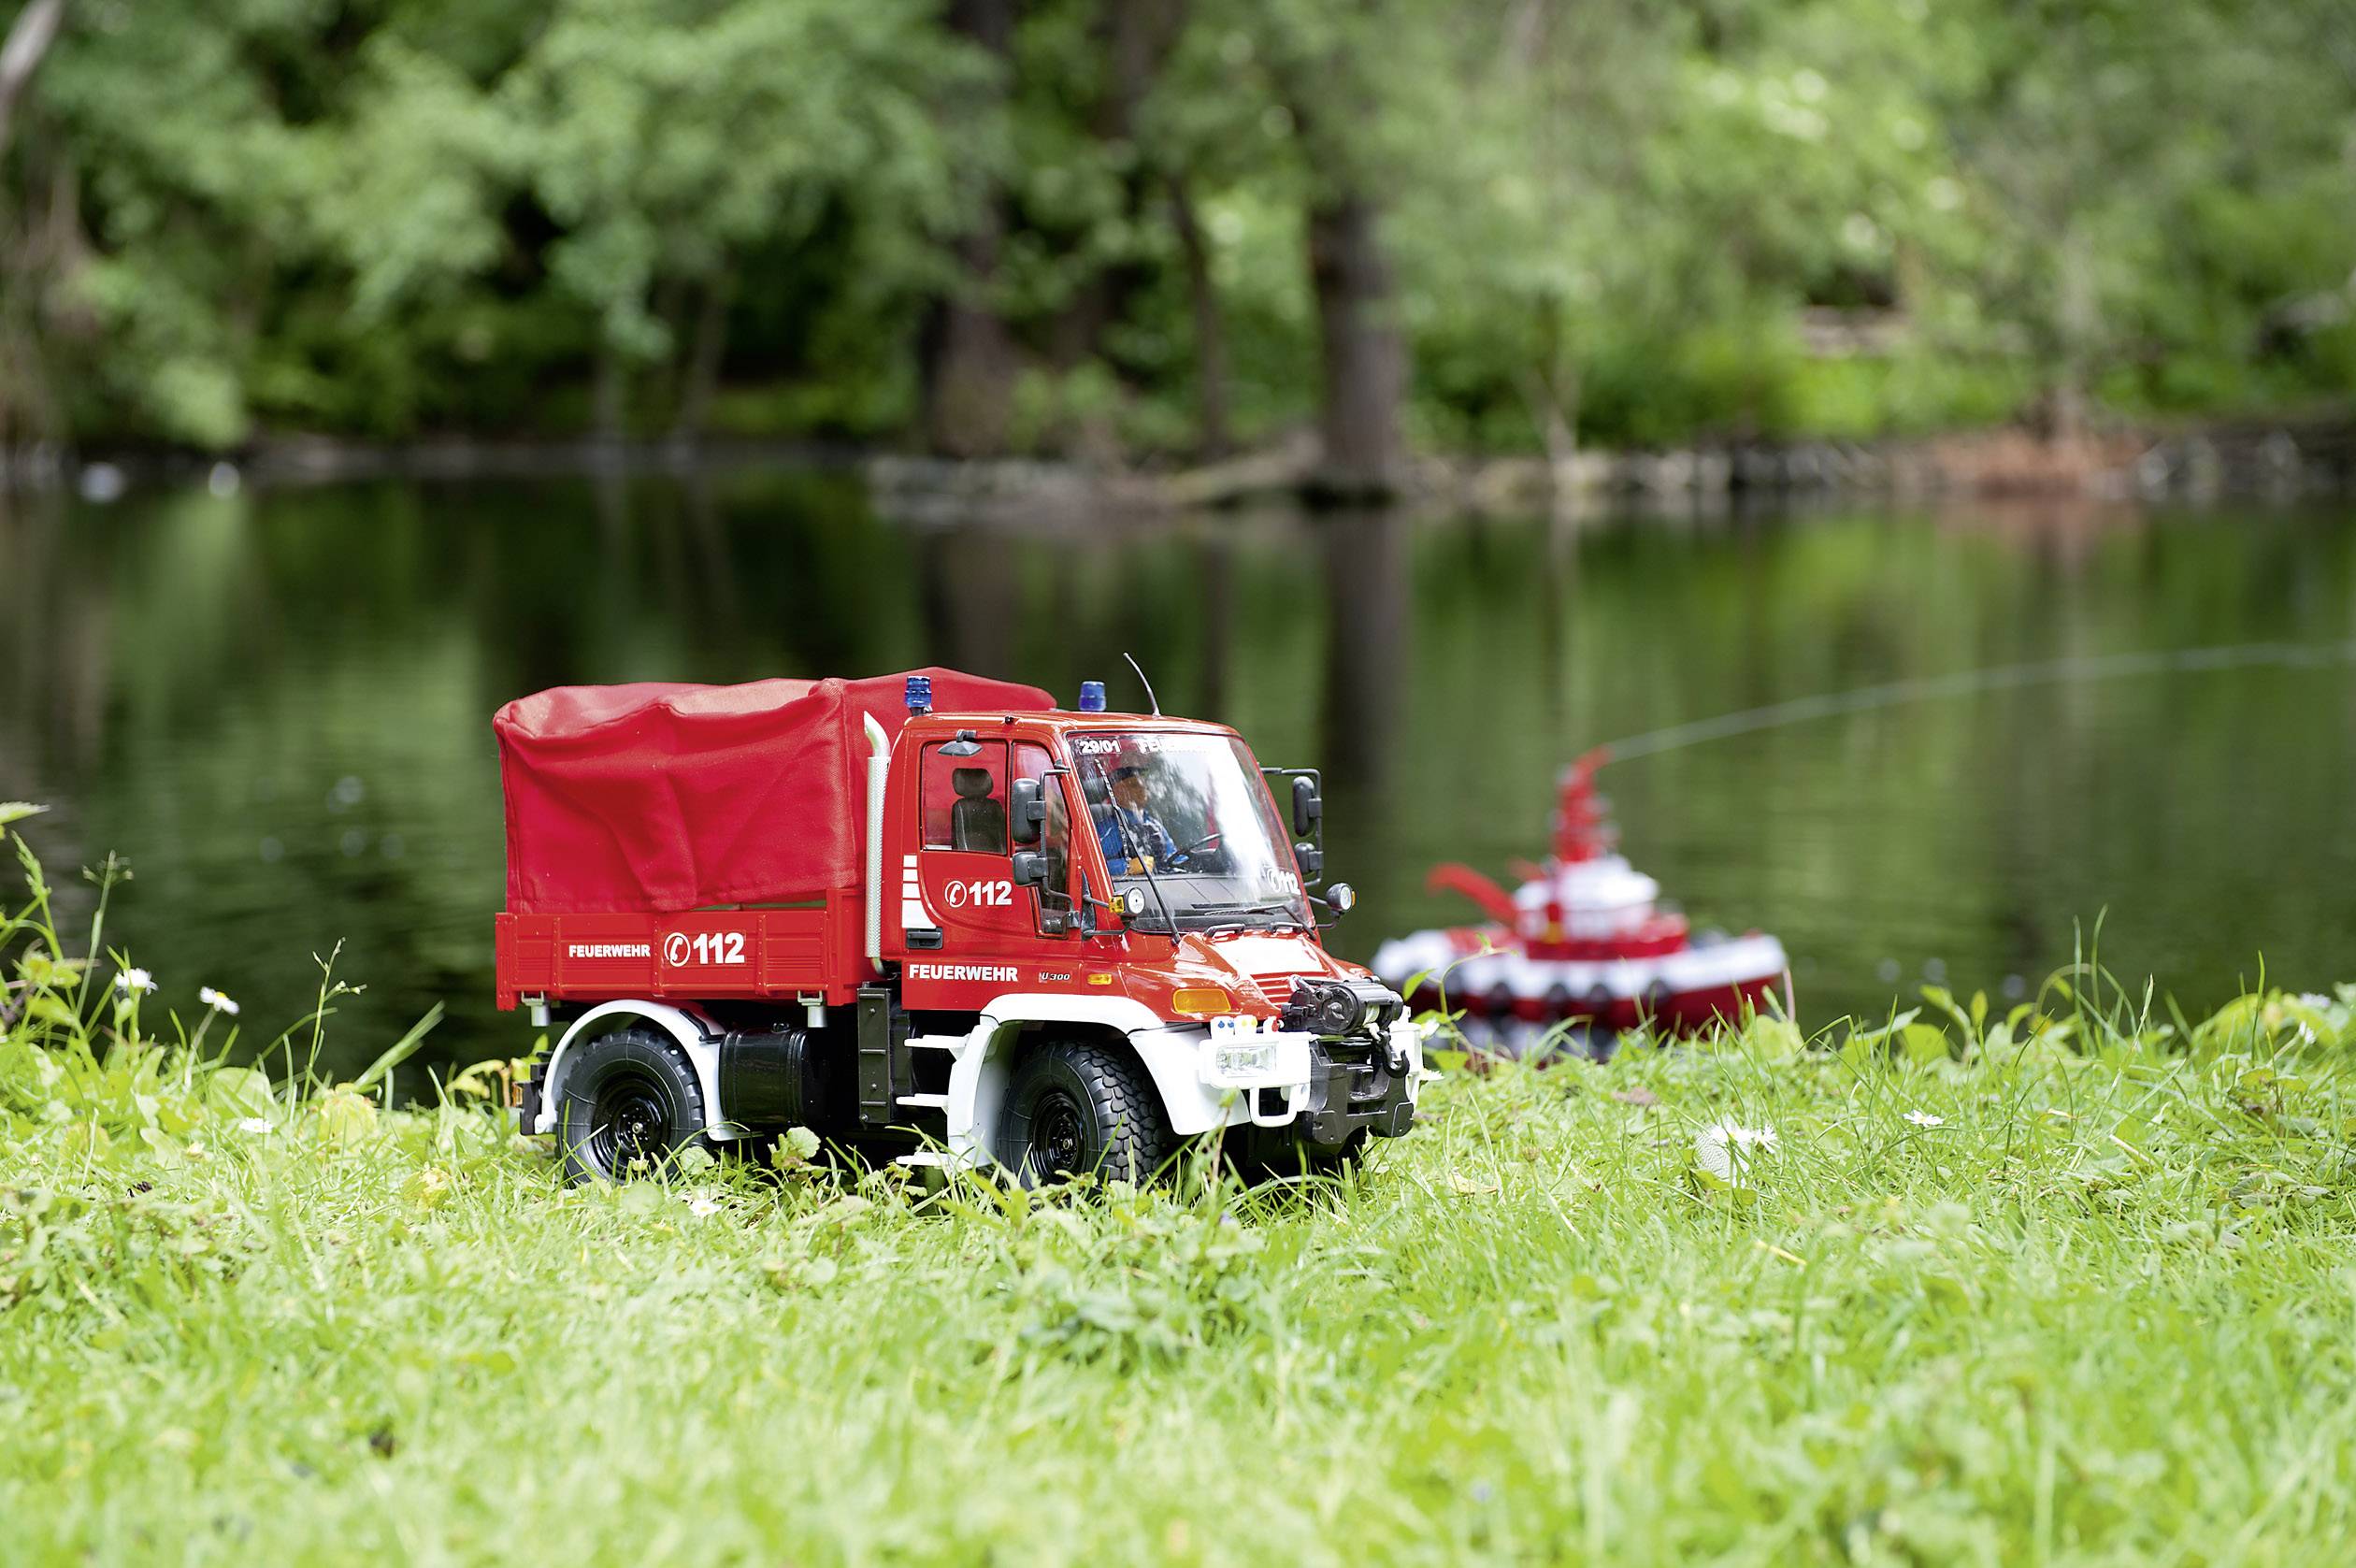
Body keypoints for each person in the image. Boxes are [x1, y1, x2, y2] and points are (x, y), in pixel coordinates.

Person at [1096, 763, 1181, 874]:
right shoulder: (1110, 828)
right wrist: (1127, 866)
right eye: (1134, 785)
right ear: (1117, 792)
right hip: (1130, 889)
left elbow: (1174, 857)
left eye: (1143, 783)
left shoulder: (1154, 824)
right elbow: (1093, 865)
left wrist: (1195, 860)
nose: (1142, 788)